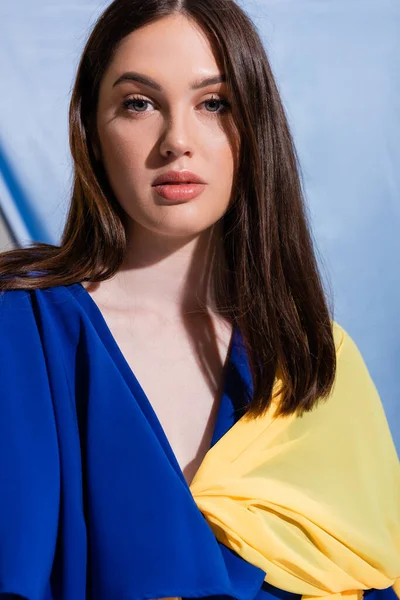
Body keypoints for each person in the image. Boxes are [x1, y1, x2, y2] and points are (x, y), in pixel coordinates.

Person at [0, 0, 399, 599]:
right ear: (92, 130)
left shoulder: (317, 359)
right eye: (139, 103)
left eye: (214, 103)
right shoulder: (22, 330)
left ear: (254, 127)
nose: (176, 141)